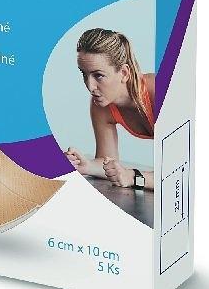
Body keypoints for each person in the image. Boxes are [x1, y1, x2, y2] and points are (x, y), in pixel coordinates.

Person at [65, 28, 154, 190]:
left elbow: (180, 169)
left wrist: (133, 177)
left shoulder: (160, 91)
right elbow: (106, 160)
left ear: (124, 73)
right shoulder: (102, 104)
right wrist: (86, 166)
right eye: (84, 74)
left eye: (98, 75)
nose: (90, 86)